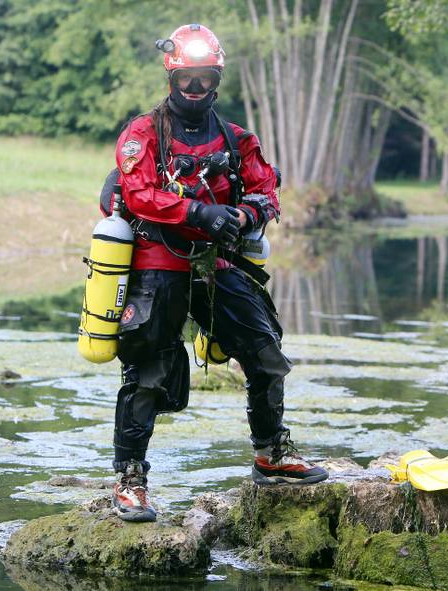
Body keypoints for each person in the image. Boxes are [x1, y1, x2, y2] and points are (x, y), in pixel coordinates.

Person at [100, 24, 328, 523]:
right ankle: (129, 481)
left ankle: (270, 455)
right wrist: (198, 214)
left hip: (217, 264)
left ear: (217, 79)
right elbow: (137, 194)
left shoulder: (237, 138)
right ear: (172, 76)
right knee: (148, 373)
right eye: (187, 79)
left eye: (204, 80)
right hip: (157, 262)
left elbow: (267, 190)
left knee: (266, 355)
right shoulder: (144, 132)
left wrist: (246, 215)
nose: (195, 89)